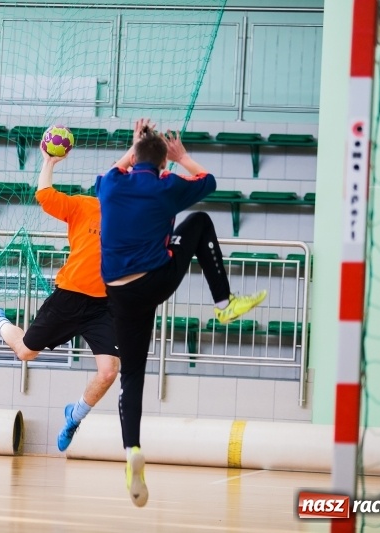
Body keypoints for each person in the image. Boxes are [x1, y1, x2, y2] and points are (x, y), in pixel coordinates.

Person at [97, 119, 267, 507]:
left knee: (132, 377)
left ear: (134, 158)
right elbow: (208, 181)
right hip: (155, 280)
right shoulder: (166, 186)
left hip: (119, 295)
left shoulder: (111, 184)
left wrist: (134, 145)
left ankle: (130, 451)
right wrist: (183, 156)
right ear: (162, 164)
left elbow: (117, 168)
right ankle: (224, 304)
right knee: (200, 221)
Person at [0, 144, 120, 452]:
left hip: (102, 306)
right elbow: (45, 195)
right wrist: (49, 162)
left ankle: (74, 417)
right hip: (69, 296)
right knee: (26, 353)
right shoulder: (83, 206)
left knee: (109, 370)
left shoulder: (132, 222)